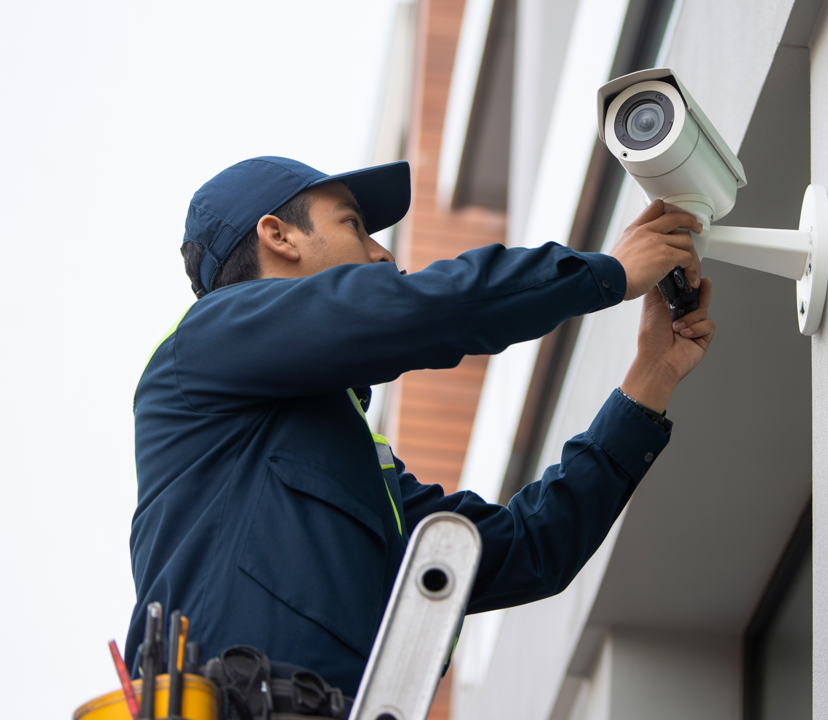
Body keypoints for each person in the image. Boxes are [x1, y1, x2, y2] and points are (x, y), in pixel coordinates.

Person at [128, 156, 716, 695]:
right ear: (277, 236)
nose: (385, 254)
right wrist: (605, 273)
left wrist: (650, 380)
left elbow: (528, 549)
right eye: (354, 225)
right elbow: (414, 308)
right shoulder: (204, 343)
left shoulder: (345, 464)